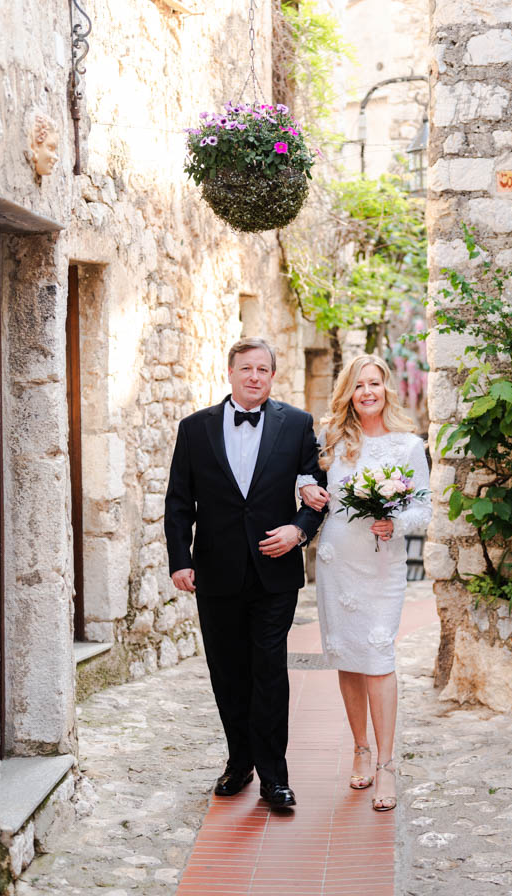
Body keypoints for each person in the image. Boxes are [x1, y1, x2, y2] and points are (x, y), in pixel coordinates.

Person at [164, 338, 326, 808]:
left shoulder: (296, 425)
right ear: (230, 373)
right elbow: (179, 502)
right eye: (246, 368)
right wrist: (180, 559)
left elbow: (316, 493)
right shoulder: (194, 429)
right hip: (215, 573)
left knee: (270, 671)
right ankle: (239, 763)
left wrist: (298, 532)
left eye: (263, 369)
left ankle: (275, 776)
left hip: (274, 573)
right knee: (228, 671)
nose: (254, 376)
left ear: (272, 376)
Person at [301, 354, 431, 811]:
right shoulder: (332, 439)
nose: (367, 392)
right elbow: (305, 478)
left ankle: (387, 765)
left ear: (386, 388)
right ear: (349, 393)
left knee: (378, 653)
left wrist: (394, 522)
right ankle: (360, 748)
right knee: (349, 658)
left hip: (382, 564)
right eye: (359, 386)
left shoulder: (408, 446)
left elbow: (423, 508)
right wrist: (305, 488)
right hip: (337, 559)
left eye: (374, 383)